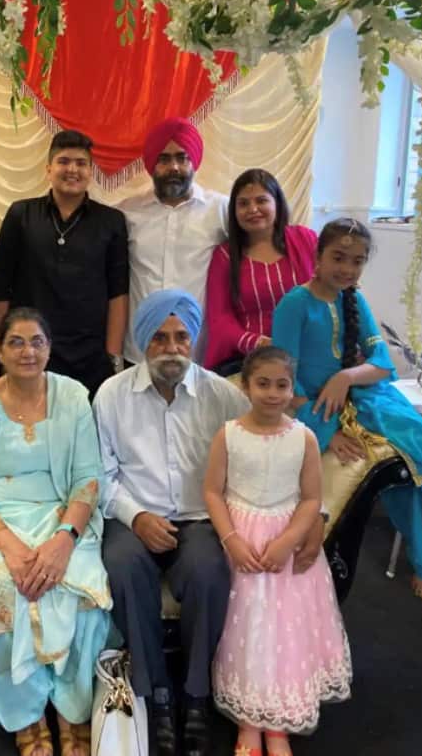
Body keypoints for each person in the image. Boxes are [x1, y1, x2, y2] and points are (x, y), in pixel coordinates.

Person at [94, 289, 255, 756]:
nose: (172, 348)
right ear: (143, 343)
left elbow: (245, 463)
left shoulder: (223, 397)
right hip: (133, 516)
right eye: (160, 338)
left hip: (198, 517)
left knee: (209, 571)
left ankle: (196, 694)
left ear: (193, 339)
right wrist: (136, 515)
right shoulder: (112, 395)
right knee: (122, 566)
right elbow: (99, 475)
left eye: (181, 336)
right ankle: (156, 694)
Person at [0, 307, 111, 756]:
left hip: (63, 521)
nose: (27, 351)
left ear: (49, 348)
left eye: (37, 341)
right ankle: (26, 715)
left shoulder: (74, 396)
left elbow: (88, 481)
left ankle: (71, 711)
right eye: (16, 342)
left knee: (79, 593)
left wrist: (64, 542)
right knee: (0, 585)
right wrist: (11, 548)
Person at [204, 346, 352, 756]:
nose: (272, 393)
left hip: (285, 541)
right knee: (249, 630)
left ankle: (278, 724)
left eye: (281, 385)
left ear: (292, 389)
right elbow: (213, 492)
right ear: (246, 386)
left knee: (283, 630)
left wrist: (289, 539)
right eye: (263, 383)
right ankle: (250, 720)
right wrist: (231, 539)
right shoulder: (228, 434)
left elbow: (310, 498)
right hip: (243, 539)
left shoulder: (302, 438)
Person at [272, 217, 422, 599]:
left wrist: (346, 378)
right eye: (339, 257)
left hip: (368, 398)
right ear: (318, 256)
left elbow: (382, 365)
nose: (347, 269)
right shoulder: (295, 304)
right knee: (407, 462)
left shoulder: (354, 299)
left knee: (418, 450)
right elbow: (284, 381)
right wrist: (328, 431)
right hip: (319, 409)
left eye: (357, 261)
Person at [0, 129, 129, 398]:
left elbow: (118, 292)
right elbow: (0, 286)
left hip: (90, 354)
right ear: (49, 169)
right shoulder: (21, 214)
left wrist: (112, 356)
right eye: (64, 161)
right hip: (29, 349)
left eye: (81, 163)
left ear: (91, 172)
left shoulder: (111, 221)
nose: (72, 170)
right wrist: (6, 344)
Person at [120, 117, 228, 365]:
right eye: (164, 159)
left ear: (194, 162)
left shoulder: (220, 210)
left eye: (182, 157)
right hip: (139, 351)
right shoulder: (127, 213)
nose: (174, 167)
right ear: (151, 164)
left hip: (196, 350)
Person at [204, 168, 317, 370]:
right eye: (243, 203)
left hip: (309, 352)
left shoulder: (305, 240)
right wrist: (258, 343)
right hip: (249, 360)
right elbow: (220, 319)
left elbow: (328, 293)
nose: (253, 209)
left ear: (277, 203)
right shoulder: (224, 256)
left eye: (261, 200)